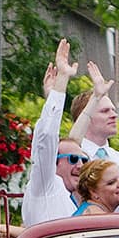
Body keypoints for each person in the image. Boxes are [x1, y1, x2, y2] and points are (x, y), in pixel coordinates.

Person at [23, 40, 94, 226]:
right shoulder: (45, 185)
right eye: (72, 159)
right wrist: (62, 79)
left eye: (84, 160)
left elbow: (74, 139)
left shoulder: (78, 202)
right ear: (53, 162)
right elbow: (47, 138)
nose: (80, 165)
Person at [71, 60, 119, 164]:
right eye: (105, 111)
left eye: (113, 110)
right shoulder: (72, 159)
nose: (114, 115)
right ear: (84, 116)